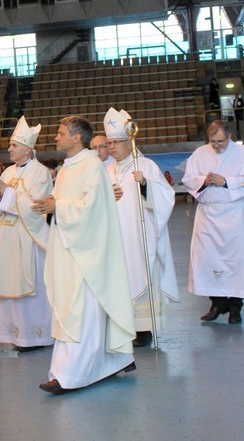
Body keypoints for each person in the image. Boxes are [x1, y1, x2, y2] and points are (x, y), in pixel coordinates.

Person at [32, 116, 135, 395]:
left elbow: (94, 208)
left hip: (85, 253)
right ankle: (113, 360)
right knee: (72, 311)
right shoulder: (67, 168)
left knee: (81, 312)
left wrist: (58, 207)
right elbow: (64, 204)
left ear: (77, 137)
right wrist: (49, 207)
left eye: (61, 132)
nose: (56, 137)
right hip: (68, 248)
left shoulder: (91, 166)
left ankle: (70, 375)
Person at [103, 108, 179, 346]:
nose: (112, 147)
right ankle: (122, 325)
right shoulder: (106, 170)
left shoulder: (145, 165)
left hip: (139, 235)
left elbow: (166, 197)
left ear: (129, 142)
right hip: (116, 237)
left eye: (116, 142)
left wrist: (145, 185)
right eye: (109, 143)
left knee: (141, 273)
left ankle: (144, 329)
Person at [0, 116, 54, 352]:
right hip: (6, 239)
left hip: (28, 239)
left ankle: (35, 336)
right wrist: (0, 195)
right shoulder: (6, 172)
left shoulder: (40, 173)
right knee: (8, 285)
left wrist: (8, 195)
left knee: (31, 286)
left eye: (14, 146)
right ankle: (15, 335)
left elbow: (36, 206)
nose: (9, 149)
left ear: (27, 149)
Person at [182, 121, 244, 324]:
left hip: (234, 214)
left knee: (236, 261)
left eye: (220, 141)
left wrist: (225, 181)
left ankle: (235, 307)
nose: (216, 145)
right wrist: (204, 180)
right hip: (208, 216)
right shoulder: (200, 153)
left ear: (229, 136)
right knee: (209, 260)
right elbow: (188, 179)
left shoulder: (241, 152)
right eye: (212, 141)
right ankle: (216, 303)